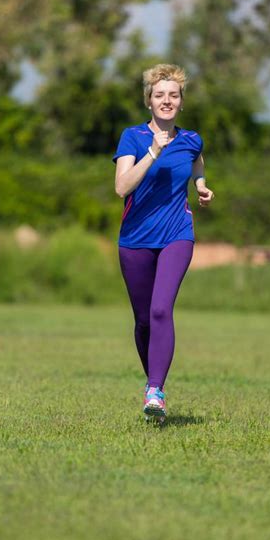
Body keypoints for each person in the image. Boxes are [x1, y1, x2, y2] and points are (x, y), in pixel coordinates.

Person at [112, 64, 215, 422]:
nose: (167, 100)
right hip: (135, 239)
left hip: (177, 234)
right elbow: (122, 187)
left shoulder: (192, 140)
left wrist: (201, 186)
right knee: (142, 321)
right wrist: (153, 152)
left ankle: (155, 389)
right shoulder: (133, 138)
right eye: (160, 95)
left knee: (160, 310)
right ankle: (152, 381)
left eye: (173, 95)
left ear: (181, 102)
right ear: (149, 102)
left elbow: (197, 165)